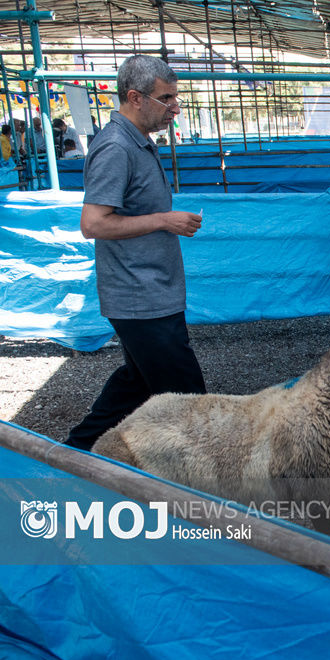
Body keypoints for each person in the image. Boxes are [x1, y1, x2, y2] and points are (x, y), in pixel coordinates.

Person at [63, 55, 206, 451]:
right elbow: (93, 223)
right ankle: (196, 484)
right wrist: (164, 221)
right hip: (140, 297)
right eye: (167, 98)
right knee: (187, 397)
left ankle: (73, 454)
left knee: (135, 383)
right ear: (135, 97)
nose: (174, 107)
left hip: (149, 292)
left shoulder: (138, 143)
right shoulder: (116, 148)